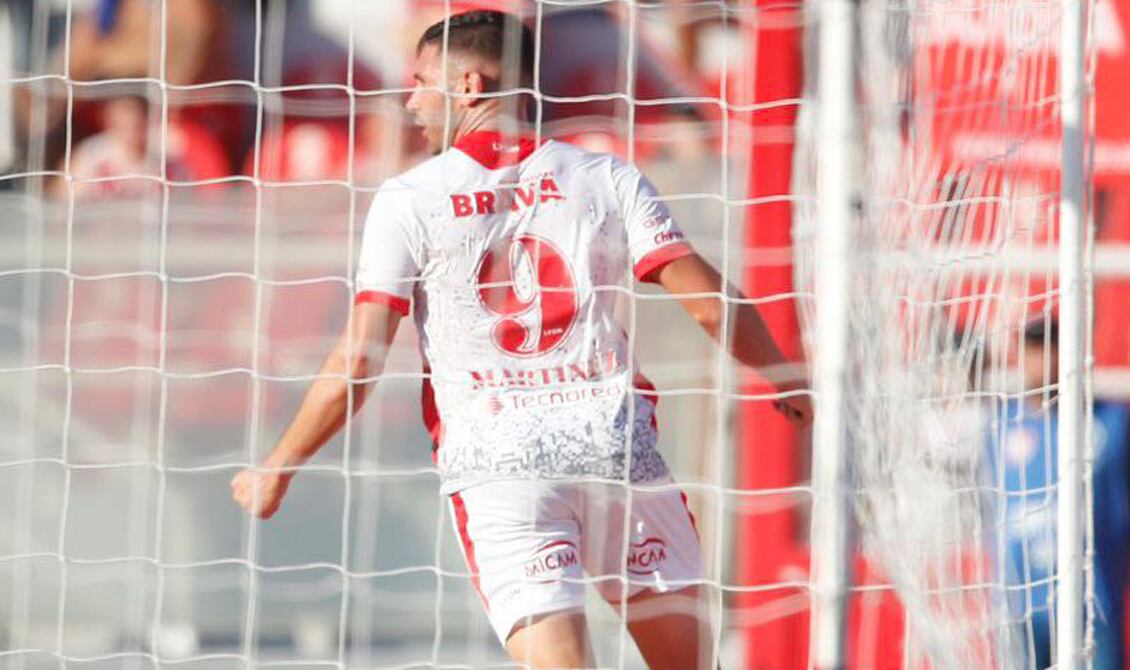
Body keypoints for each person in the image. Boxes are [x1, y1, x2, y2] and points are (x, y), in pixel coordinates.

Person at [231, 10, 810, 669]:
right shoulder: (605, 176)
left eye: (422, 82)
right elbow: (708, 306)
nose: (411, 100)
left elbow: (359, 358)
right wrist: (787, 373)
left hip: (502, 467)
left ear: (470, 86)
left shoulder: (409, 198)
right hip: (618, 456)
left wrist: (278, 465)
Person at [991, 319, 1129, 669]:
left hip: (1094, 603)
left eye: (1055, 346)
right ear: (1020, 355)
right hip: (1022, 605)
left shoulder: (1111, 420)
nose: (1046, 359)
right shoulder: (997, 424)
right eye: (1036, 348)